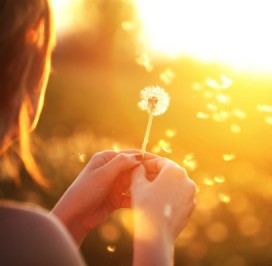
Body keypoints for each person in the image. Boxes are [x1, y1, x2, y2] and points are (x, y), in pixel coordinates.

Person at [0, 1, 197, 265]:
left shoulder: (25, 238)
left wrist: (69, 222)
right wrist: (157, 236)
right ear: (17, 77)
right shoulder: (28, 235)